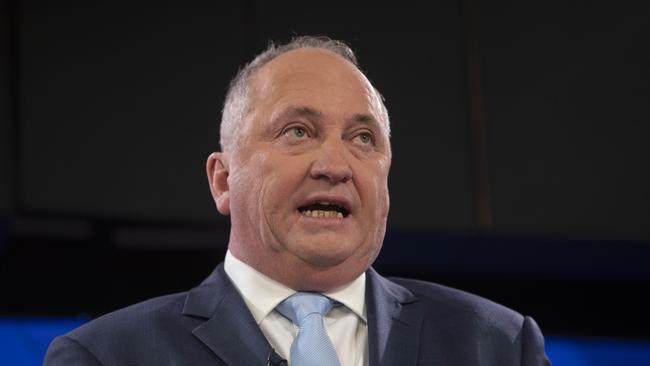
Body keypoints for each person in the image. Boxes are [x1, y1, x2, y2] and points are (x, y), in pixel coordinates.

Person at [44, 36, 551, 366]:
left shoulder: (499, 347)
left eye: (363, 138)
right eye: (298, 131)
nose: (336, 164)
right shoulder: (107, 357)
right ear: (223, 180)